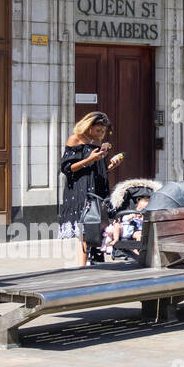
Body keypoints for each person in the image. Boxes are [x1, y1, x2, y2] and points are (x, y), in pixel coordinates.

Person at [59, 111, 124, 267]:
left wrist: (110, 166)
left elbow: (96, 170)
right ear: (88, 126)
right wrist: (89, 159)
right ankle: (83, 266)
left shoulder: (96, 144)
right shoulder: (75, 140)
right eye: (98, 130)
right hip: (80, 190)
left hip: (97, 189)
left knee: (96, 227)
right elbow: (68, 168)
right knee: (87, 229)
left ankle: (94, 263)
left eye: (103, 131)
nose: (101, 134)